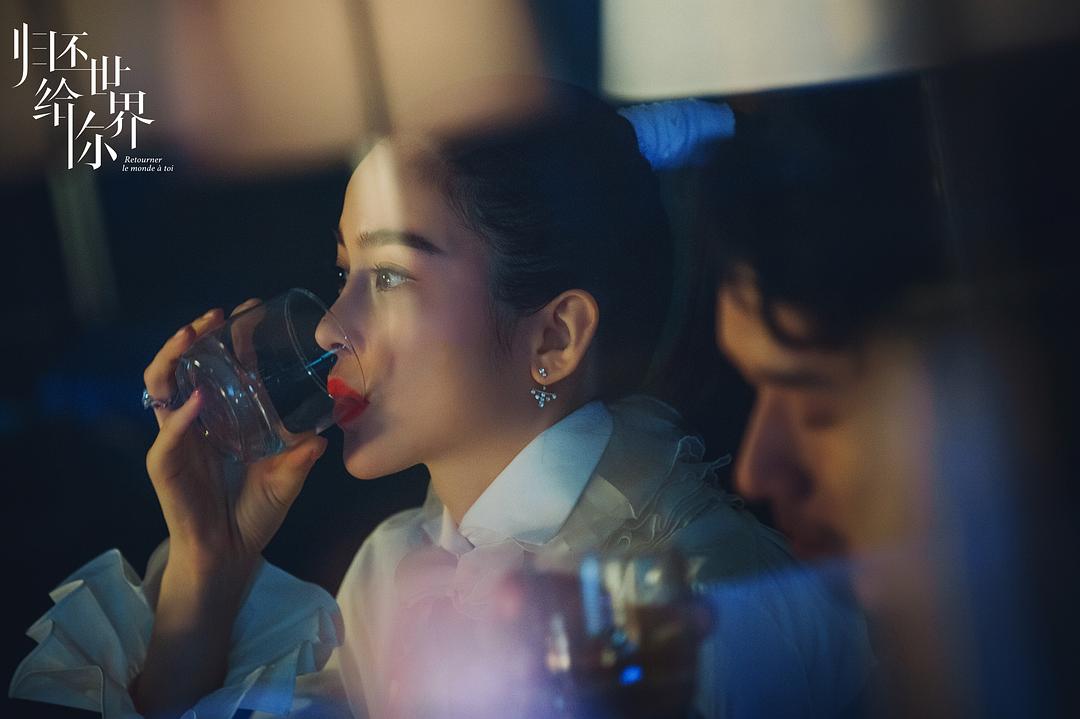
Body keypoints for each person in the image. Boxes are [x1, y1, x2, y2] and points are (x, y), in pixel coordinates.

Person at [11, 81, 871, 719]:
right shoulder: (389, 568)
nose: (327, 329)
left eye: (389, 276)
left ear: (554, 337)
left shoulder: (714, 600)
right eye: (344, 272)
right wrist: (209, 565)